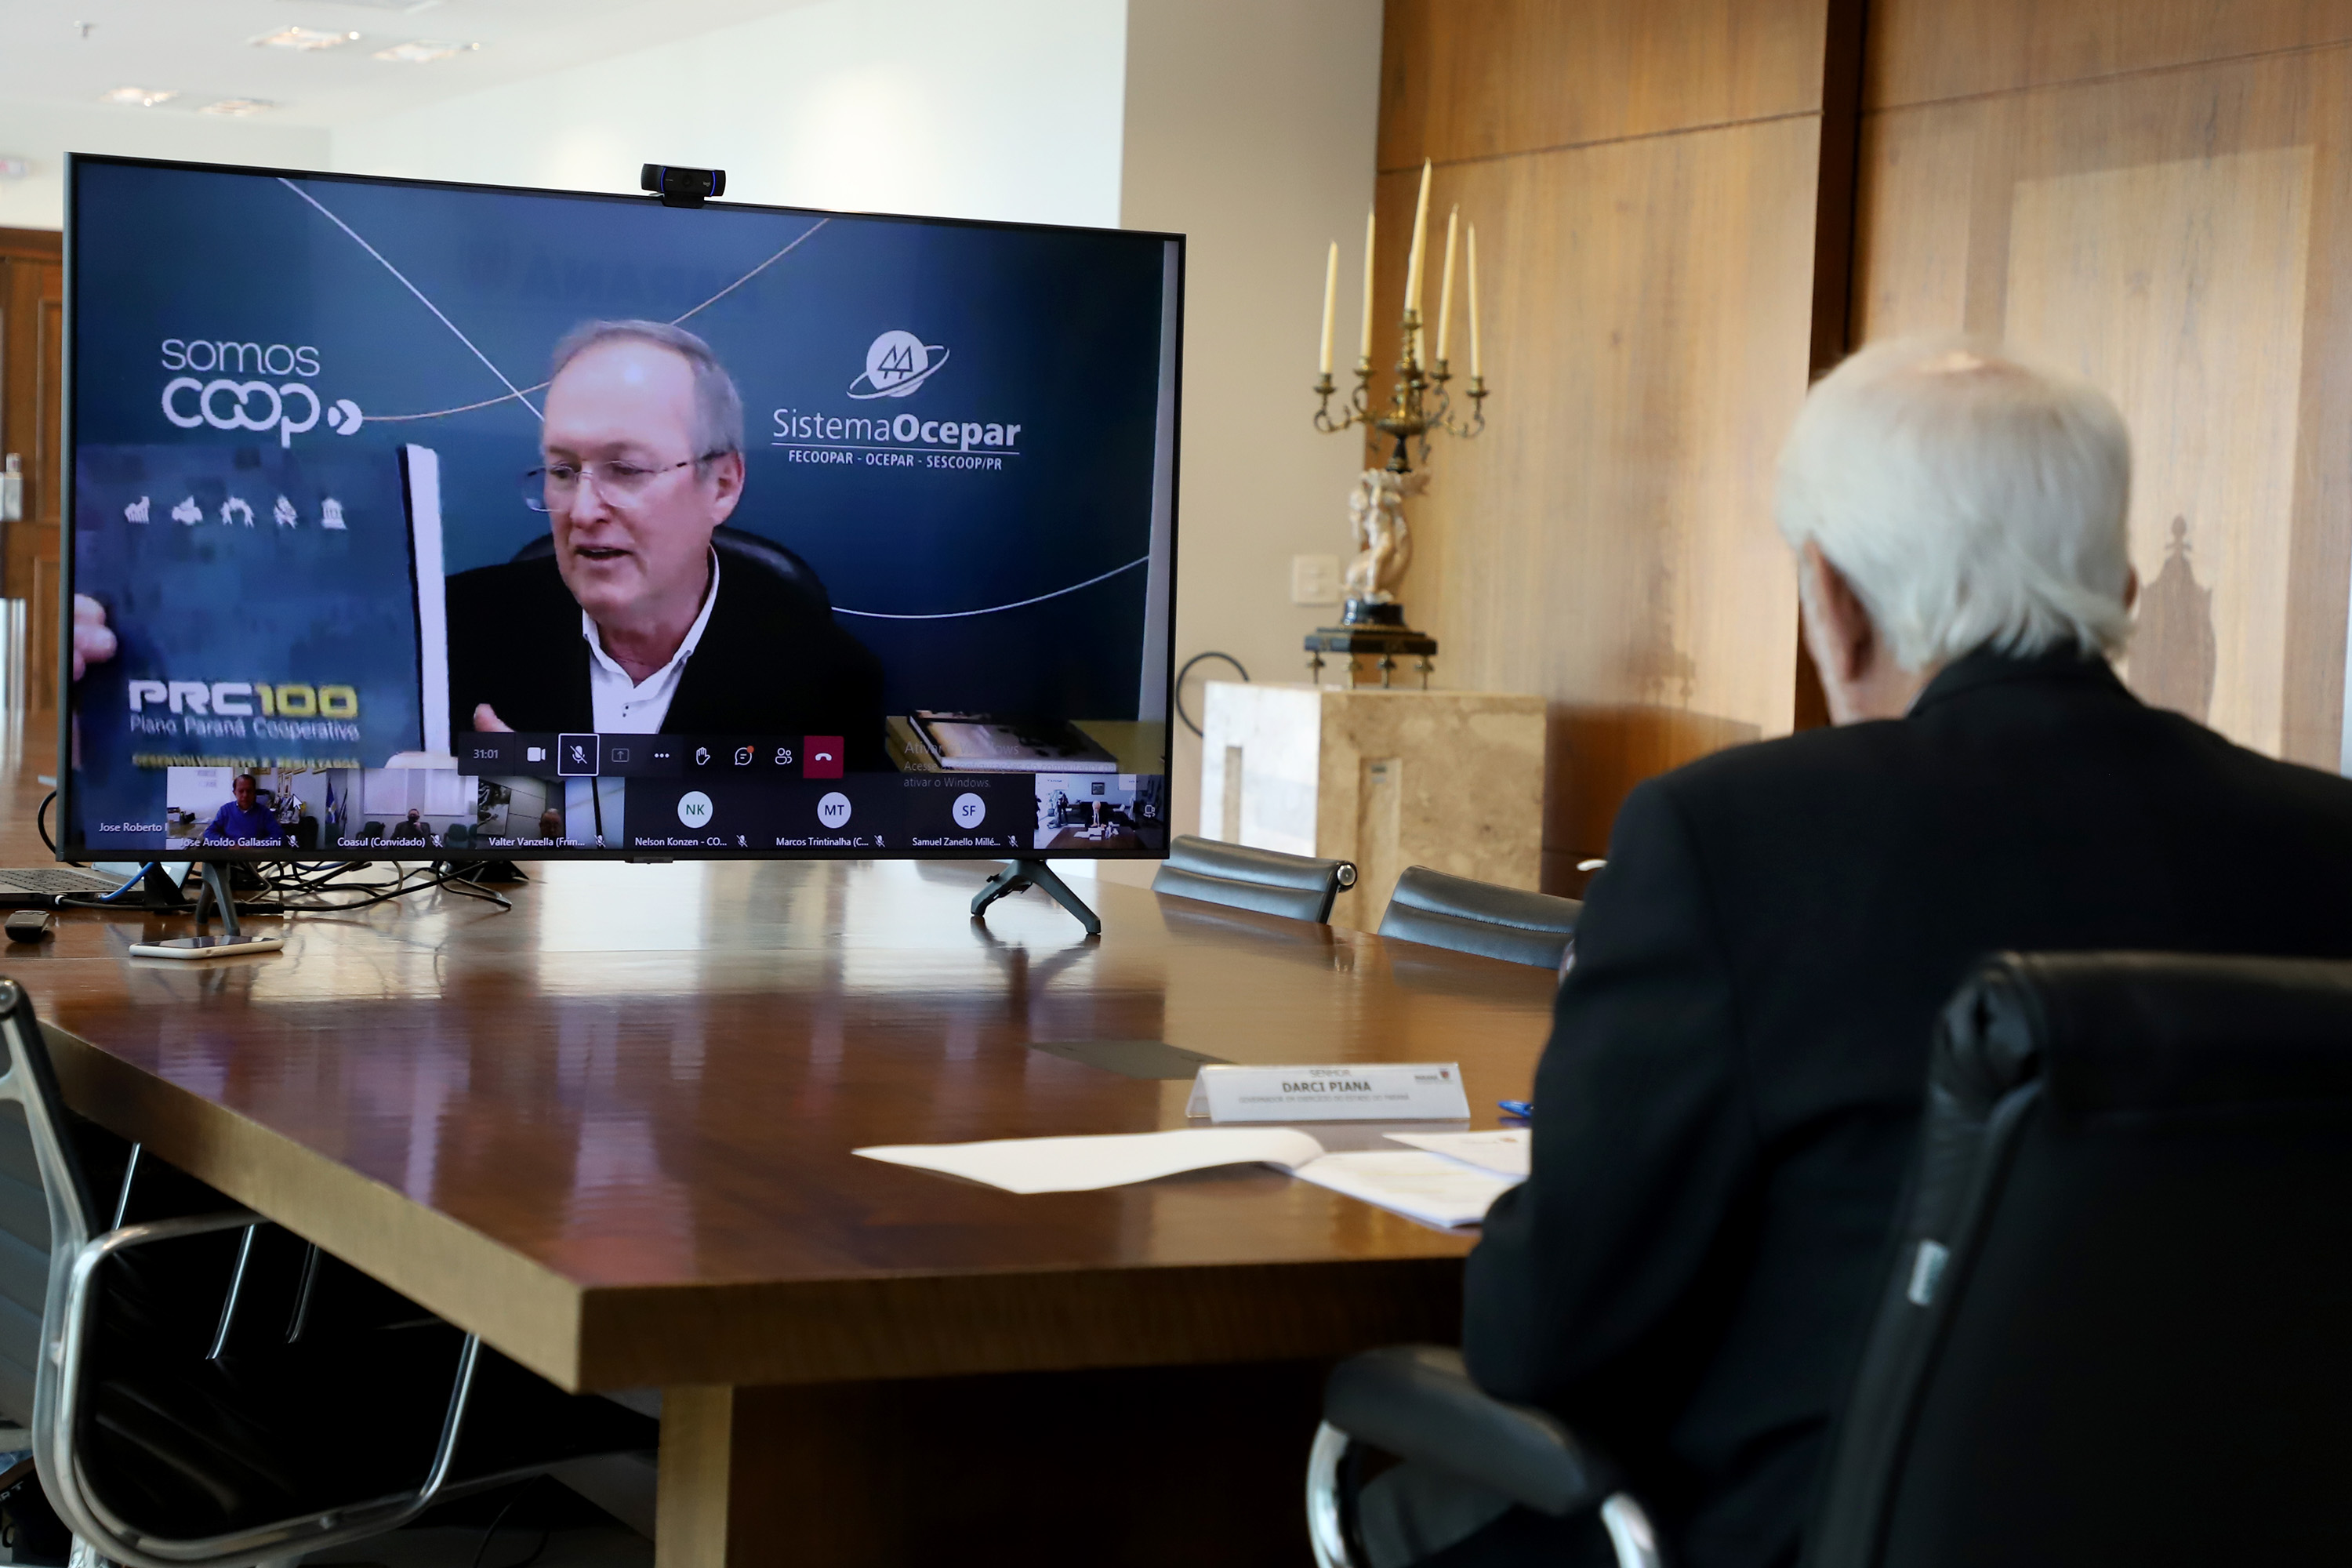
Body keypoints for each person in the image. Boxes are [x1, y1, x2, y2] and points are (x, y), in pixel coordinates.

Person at [1361, 339, 2352, 1568]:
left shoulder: (1727, 834)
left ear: (1828, 598)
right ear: (2128, 592)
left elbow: (1544, 1336)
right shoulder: (2331, 843)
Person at [445, 321, 887, 764]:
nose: (582, 511)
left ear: (722, 485)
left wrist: (544, 807)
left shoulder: (830, 684)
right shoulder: (452, 634)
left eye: (626, 470)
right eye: (563, 471)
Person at [202, 775, 282, 846]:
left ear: (254, 792)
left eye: (249, 791)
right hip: (229, 854)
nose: (245, 795)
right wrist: (229, 845)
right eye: (241, 791)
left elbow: (279, 836)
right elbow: (209, 833)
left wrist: (255, 846)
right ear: (235, 793)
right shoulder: (225, 810)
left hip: (254, 856)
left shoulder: (264, 812)